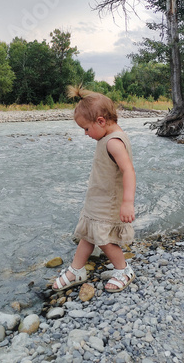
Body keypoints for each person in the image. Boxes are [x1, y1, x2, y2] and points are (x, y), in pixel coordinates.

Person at [53, 85, 136, 292]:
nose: (85, 134)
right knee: (88, 234)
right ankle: (76, 269)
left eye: (86, 129)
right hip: (98, 197)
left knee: (104, 240)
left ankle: (123, 269)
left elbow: (128, 171)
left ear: (100, 121)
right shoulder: (106, 136)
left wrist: (127, 202)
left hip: (108, 203)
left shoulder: (114, 142)